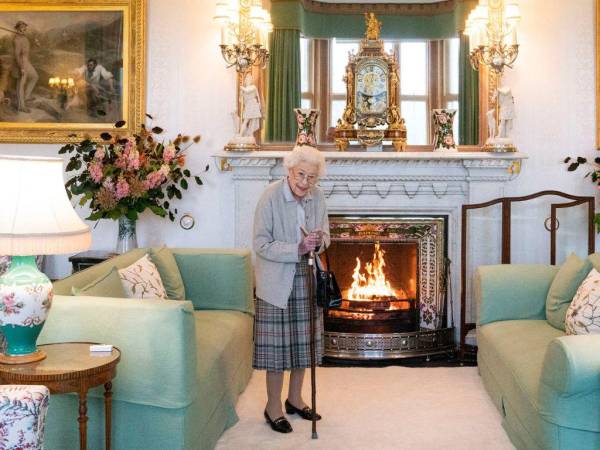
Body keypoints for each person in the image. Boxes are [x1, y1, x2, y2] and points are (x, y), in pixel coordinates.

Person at [253, 145, 330, 434]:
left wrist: (318, 241)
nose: (305, 182)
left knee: (302, 344)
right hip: (276, 280)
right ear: (289, 170)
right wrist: (296, 247)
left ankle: (295, 399)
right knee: (277, 351)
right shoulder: (270, 196)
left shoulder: (318, 197)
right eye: (301, 174)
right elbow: (260, 244)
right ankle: (273, 407)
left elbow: (326, 237)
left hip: (308, 276)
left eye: (311, 177)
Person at [13, 21, 38, 113]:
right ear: (18, 28)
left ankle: (26, 96)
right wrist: (21, 67)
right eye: (22, 27)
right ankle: (21, 106)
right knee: (21, 84)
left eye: (24, 27)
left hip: (26, 60)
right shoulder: (17, 40)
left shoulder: (25, 37)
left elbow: (28, 49)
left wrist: (35, 44)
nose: (24, 28)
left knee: (34, 77)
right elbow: (16, 55)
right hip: (21, 62)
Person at [239, 73, 262, 137]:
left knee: (252, 122)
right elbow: (240, 100)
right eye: (247, 78)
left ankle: (249, 135)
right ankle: (242, 134)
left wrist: (241, 88)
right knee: (246, 120)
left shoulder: (253, 87)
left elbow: (247, 91)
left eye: (250, 79)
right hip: (248, 105)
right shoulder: (244, 88)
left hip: (253, 104)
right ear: (245, 80)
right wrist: (241, 94)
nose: (248, 80)